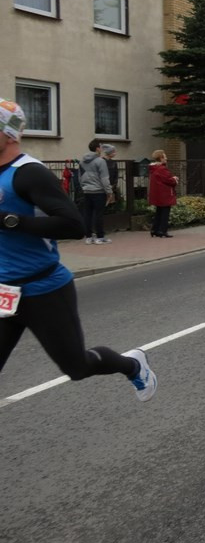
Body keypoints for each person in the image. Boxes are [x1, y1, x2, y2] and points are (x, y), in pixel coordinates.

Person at [0, 99, 157, 401]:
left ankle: (132, 364)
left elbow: (73, 225)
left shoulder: (29, 173)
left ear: (10, 133)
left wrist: (9, 221)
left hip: (43, 290)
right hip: (6, 290)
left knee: (77, 367)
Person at [79, 139, 114, 245]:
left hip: (87, 191)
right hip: (98, 191)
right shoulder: (100, 161)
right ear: (97, 148)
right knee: (98, 214)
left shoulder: (82, 161)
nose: (102, 149)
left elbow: (79, 177)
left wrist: (84, 187)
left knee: (87, 214)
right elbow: (104, 178)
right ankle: (100, 237)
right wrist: (109, 191)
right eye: (101, 147)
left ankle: (88, 237)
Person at [148, 149, 178, 238]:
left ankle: (155, 229)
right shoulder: (162, 169)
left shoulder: (154, 168)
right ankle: (162, 230)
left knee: (159, 212)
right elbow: (169, 181)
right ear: (161, 158)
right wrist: (175, 179)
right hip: (164, 194)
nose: (166, 158)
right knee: (165, 213)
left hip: (158, 194)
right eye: (165, 157)